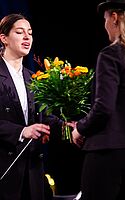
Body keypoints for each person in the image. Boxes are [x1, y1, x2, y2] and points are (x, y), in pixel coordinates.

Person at [70, 0, 125, 199]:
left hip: (111, 151)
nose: (104, 26)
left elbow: (103, 108)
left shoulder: (110, 54)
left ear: (114, 17)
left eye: (105, 19)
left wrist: (80, 128)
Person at [0, 13, 62, 200]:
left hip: (32, 170)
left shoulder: (33, 78)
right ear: (3, 38)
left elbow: (45, 117)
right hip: (5, 169)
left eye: (30, 33)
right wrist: (22, 131)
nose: (27, 37)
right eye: (20, 32)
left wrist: (71, 129)